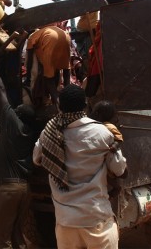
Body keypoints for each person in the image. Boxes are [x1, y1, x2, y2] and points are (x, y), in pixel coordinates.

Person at [33, 85, 127, 249]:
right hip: (96, 220)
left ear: (59, 106)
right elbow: (119, 169)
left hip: (65, 223)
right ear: (85, 105)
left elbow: (36, 158)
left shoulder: (49, 132)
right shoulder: (102, 132)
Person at [0, 49, 39, 249]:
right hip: (24, 189)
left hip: (7, 189)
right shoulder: (30, 134)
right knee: (17, 237)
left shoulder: (10, 121)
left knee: (2, 240)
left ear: (17, 114)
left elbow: (0, 89)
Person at [86, 0, 135, 103]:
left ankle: (92, 95)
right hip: (110, 22)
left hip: (116, 22)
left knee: (101, 60)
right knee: (97, 60)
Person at [24, 23, 71, 108]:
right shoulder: (62, 31)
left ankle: (58, 106)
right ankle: (70, 101)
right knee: (66, 71)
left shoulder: (33, 35)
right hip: (66, 37)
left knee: (49, 78)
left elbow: (29, 59)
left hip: (50, 39)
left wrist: (28, 78)